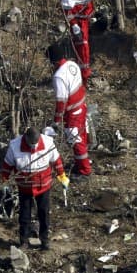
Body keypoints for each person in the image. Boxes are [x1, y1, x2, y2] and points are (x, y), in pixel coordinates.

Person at [1, 126, 68, 250]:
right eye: (31, 143)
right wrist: (4, 181)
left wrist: (62, 176)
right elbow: (7, 164)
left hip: (43, 186)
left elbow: (56, 160)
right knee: (24, 216)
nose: (33, 146)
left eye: (35, 144)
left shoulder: (48, 143)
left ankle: (44, 240)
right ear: (25, 137)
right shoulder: (15, 146)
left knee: (44, 214)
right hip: (24, 187)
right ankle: (24, 241)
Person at [48, 42, 92, 177]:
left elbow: (61, 102)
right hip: (82, 106)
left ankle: (85, 171)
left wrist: (56, 121)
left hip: (73, 113)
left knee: (75, 140)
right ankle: (83, 162)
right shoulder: (73, 65)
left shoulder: (58, 77)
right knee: (82, 137)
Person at [61, 0, 94, 81]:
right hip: (77, 21)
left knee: (86, 47)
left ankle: (84, 72)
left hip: (85, 20)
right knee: (82, 47)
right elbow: (67, 9)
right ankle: (83, 75)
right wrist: (74, 25)